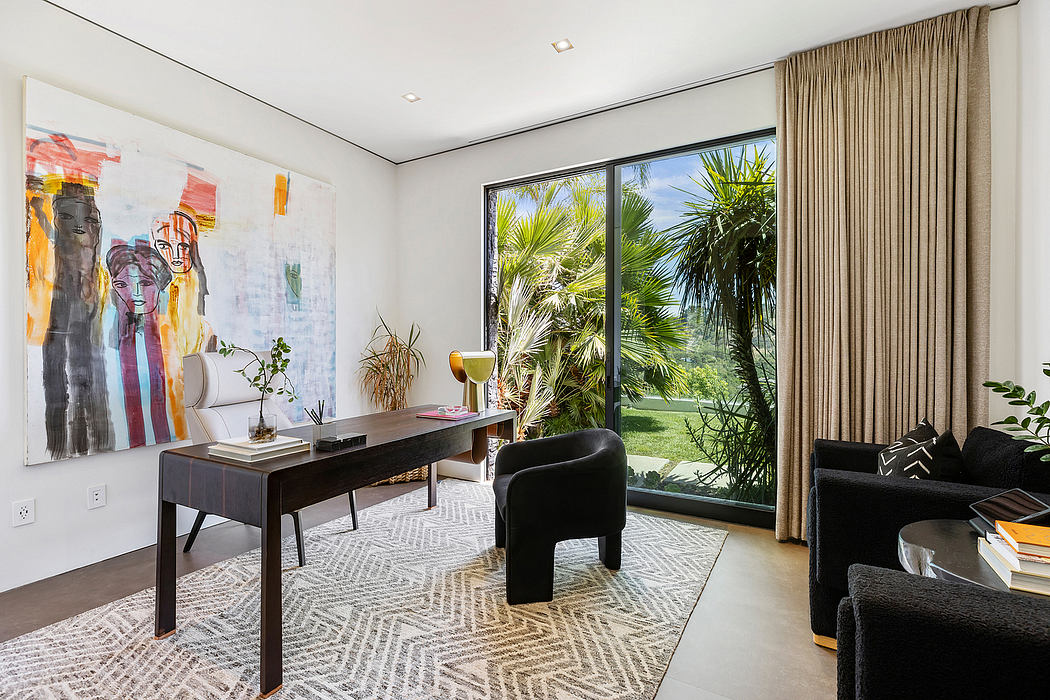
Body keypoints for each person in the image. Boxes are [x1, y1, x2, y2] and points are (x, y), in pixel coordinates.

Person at [42, 182, 113, 459]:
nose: (80, 226)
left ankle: (88, 445)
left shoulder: (98, 277)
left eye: (89, 219)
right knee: (59, 377)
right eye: (68, 217)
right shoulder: (51, 270)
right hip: (61, 312)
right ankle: (60, 448)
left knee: (90, 376)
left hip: (87, 314)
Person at [106, 242, 174, 448]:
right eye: (122, 285)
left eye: (145, 284)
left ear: (160, 285)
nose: (135, 294)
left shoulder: (174, 340)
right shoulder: (109, 345)